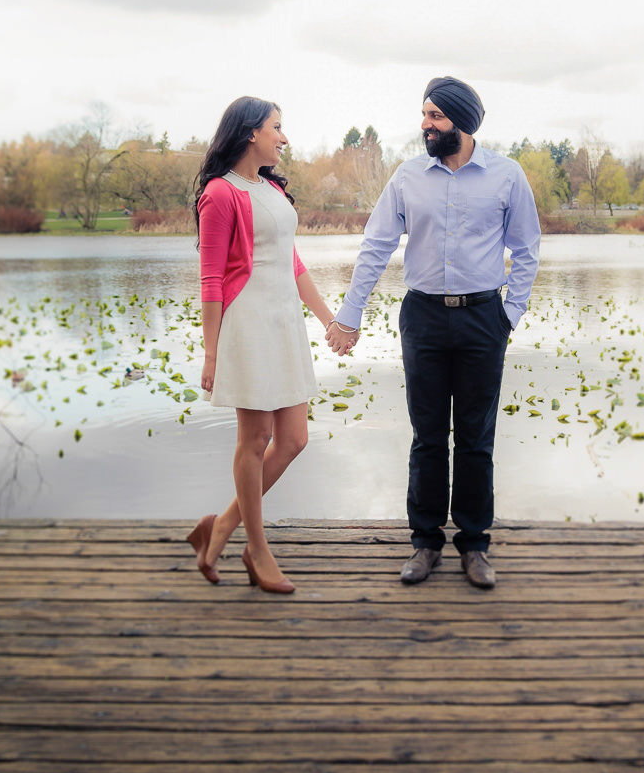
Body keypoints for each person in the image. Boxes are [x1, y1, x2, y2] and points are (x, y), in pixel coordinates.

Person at [327, 77, 540, 589]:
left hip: (482, 319)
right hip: (422, 317)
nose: (426, 125)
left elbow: (527, 249)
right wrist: (349, 315)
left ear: (462, 123)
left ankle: (473, 546)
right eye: (424, 115)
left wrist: (509, 315)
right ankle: (424, 544)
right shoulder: (406, 177)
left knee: (475, 439)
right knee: (427, 437)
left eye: (436, 117)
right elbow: (375, 247)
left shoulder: (507, 177)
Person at [186, 97, 339, 595]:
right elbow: (211, 278)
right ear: (251, 132)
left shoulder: (272, 188)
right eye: (277, 127)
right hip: (247, 324)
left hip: (283, 323)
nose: (284, 137)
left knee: (293, 438)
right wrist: (212, 353)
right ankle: (256, 547)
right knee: (253, 441)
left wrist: (329, 319)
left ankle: (222, 527)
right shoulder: (220, 193)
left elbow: (292, 264)